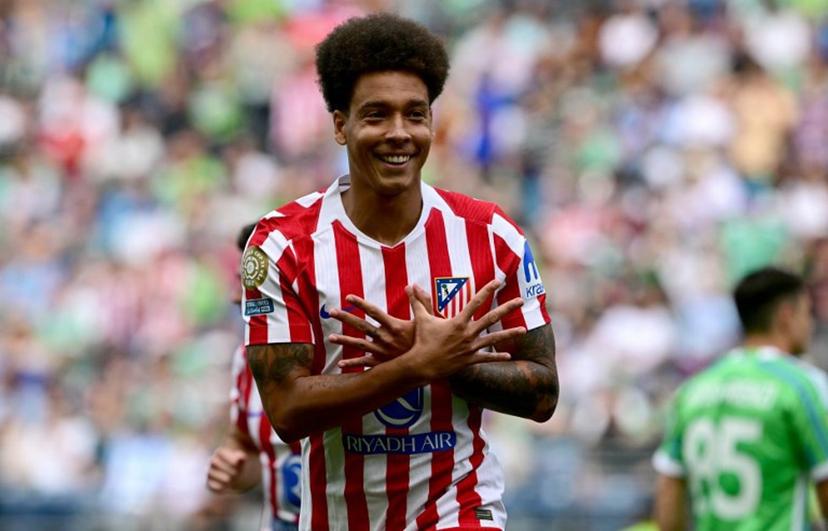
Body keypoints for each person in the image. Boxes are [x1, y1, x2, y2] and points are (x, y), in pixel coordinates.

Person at [240, 13, 558, 531]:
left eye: (415, 114)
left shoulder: (489, 235)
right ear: (340, 124)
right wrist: (413, 365)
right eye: (376, 115)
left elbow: (543, 392)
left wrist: (449, 364)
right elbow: (287, 409)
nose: (399, 133)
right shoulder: (283, 245)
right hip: (338, 515)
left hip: (461, 505)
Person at [654, 266, 828, 530]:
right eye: (807, 313)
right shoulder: (802, 385)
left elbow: (669, 492)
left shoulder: (693, 390)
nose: (810, 324)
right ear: (786, 315)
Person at [207, 223, 302, 531]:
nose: (236, 297)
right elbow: (246, 452)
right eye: (238, 281)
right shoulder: (245, 359)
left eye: (248, 282)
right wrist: (232, 468)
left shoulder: (336, 354)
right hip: (281, 523)